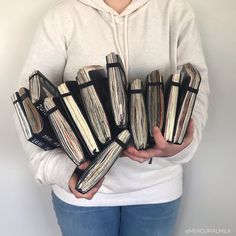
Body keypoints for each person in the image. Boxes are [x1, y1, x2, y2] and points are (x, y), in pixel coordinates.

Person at [14, 0, 210, 235]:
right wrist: (57, 169)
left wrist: (182, 145)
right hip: (82, 194)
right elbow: (27, 105)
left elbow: (197, 90)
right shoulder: (62, 17)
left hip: (156, 189)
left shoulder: (175, 11)